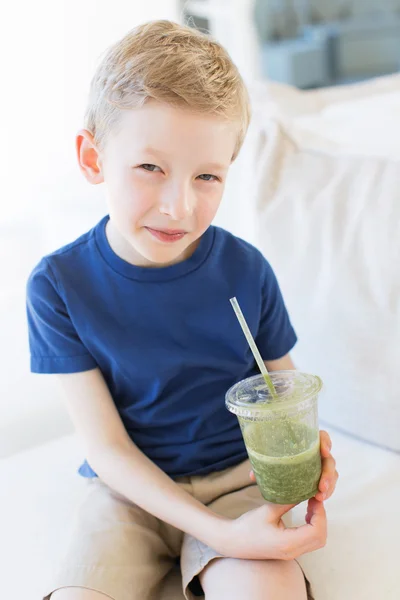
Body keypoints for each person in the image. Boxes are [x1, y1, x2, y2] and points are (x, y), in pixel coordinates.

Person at [26, 20, 338, 600]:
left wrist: (309, 453)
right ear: (92, 158)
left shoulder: (247, 270)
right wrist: (219, 534)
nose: (179, 206)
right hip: (130, 495)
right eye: (151, 167)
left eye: (207, 176)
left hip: (242, 482)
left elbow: (286, 390)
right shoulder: (57, 286)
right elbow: (108, 452)